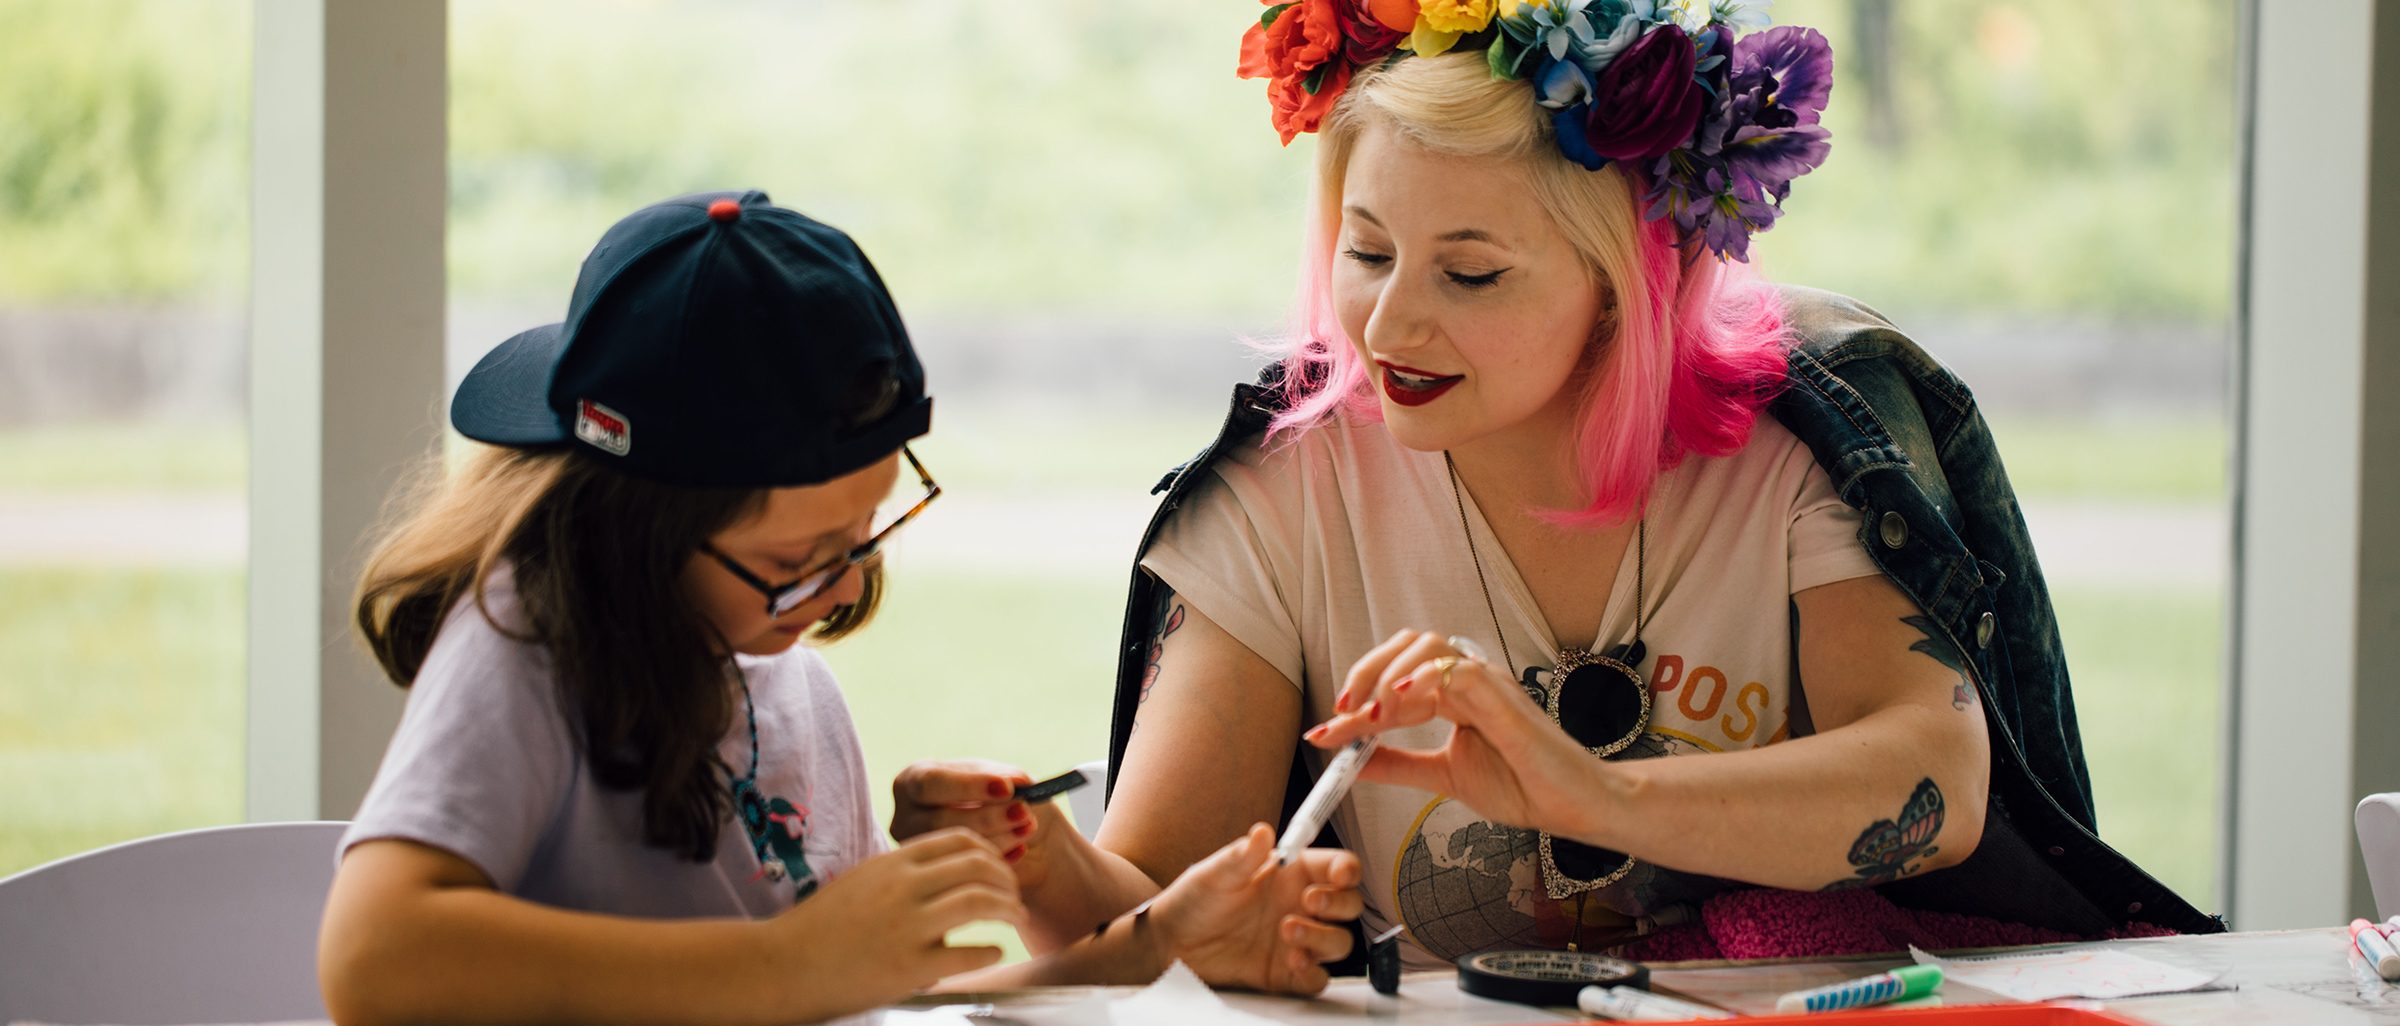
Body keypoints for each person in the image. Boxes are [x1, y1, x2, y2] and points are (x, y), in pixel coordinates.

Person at [897, 1, 2218, 971]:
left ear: (1624, 283)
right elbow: (1146, 909)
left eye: (1470, 273)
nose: (1388, 324)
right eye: (1364, 250)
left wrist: (1589, 792)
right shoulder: (1293, 488)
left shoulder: (1796, 455)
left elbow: (1936, 783)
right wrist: (1029, 854)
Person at [316, 190, 1364, 1026]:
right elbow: (373, 961)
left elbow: (852, 1005)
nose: (848, 588)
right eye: (798, 557)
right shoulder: (526, 651)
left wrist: (1155, 947)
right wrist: (778, 962)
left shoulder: (787, 681)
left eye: (865, 533)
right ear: (638, 524)